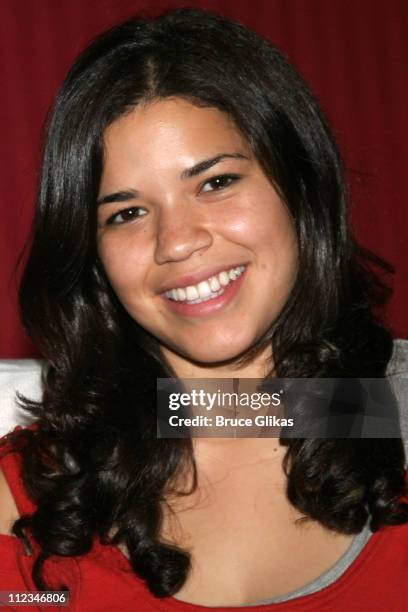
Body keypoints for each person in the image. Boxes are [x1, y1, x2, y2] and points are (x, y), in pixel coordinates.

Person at [0, 7, 407, 611]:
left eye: (215, 182)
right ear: (92, 258)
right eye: (127, 212)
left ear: (301, 187)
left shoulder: (386, 410)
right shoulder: (29, 497)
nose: (177, 241)